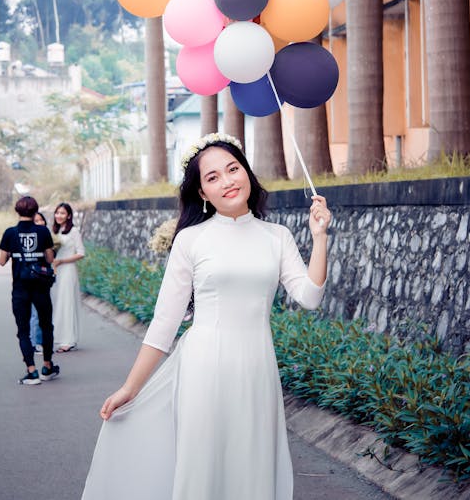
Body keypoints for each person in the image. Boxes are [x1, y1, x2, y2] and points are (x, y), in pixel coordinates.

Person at [82, 133, 331, 499]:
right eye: (213, 177)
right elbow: (164, 323)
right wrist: (130, 388)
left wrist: (320, 237)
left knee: (253, 466)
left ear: (247, 172)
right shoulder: (191, 240)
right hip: (203, 370)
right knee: (203, 470)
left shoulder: (276, 236)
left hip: (257, 370)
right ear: (201, 192)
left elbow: (309, 296)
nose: (228, 181)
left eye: (233, 169)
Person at [0, 196, 60, 385]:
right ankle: (47, 366)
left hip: (20, 288)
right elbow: (50, 259)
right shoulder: (42, 232)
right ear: (35, 211)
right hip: (40, 287)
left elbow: (2, 261)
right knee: (46, 325)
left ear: (17, 211)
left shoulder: (10, 233)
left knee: (23, 329)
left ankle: (31, 371)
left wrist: (14, 253)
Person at [52, 202, 85, 352]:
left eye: (62, 213)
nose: (59, 215)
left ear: (69, 215)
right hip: (57, 270)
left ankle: (68, 340)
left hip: (68, 270)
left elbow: (81, 253)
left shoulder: (74, 231)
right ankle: (60, 337)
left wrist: (62, 261)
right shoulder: (55, 230)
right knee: (59, 303)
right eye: (57, 212)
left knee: (67, 303)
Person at [29, 211, 48, 352]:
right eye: (36, 221)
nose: (40, 223)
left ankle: (34, 340)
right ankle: (36, 342)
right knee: (36, 313)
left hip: (43, 279)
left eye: (41, 220)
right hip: (35, 278)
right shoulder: (35, 238)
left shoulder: (45, 236)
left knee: (37, 312)